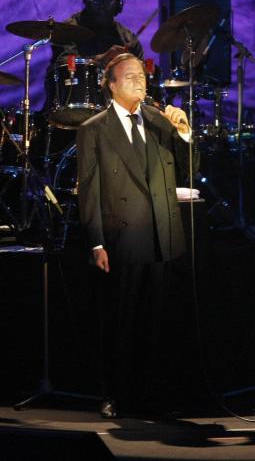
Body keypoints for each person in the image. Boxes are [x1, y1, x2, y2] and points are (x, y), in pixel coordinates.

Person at [76, 53, 196, 418]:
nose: (139, 83)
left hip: (162, 233)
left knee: (154, 321)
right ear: (110, 85)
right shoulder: (94, 128)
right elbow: (90, 190)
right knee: (120, 321)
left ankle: (150, 394)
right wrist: (96, 241)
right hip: (122, 235)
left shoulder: (160, 122)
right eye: (130, 77)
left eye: (142, 77)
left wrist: (185, 134)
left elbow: (190, 171)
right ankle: (114, 393)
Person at [44, 0, 144, 115]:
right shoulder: (69, 29)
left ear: (118, 5)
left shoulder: (127, 38)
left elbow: (141, 75)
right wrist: (100, 60)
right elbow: (64, 64)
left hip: (116, 109)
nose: (102, 5)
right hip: (73, 102)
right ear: (86, 2)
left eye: (108, 0)